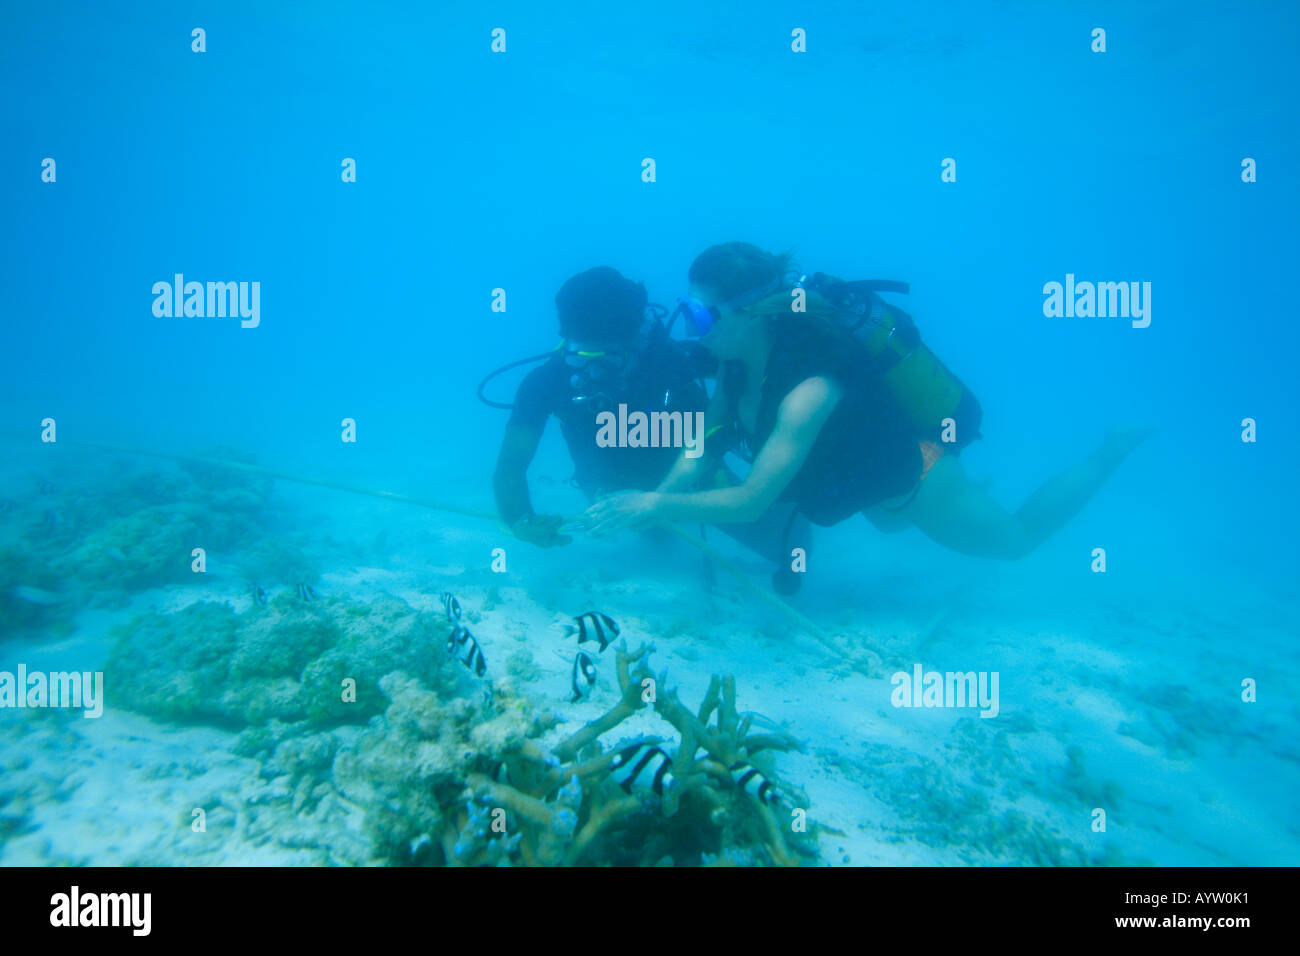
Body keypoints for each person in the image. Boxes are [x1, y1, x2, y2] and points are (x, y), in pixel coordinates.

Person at [582, 243, 1151, 560]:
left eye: (703, 313)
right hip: (862, 491)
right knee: (884, 526)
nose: (691, 325)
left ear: (753, 313)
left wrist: (653, 507)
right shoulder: (732, 369)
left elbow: (754, 501)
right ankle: (970, 488)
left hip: (914, 480)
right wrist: (655, 494)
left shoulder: (810, 390)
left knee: (1014, 544)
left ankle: (1111, 451)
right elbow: (702, 450)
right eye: (688, 309)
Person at [490, 265, 812, 589]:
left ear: (636, 337)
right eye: (581, 355)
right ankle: (658, 534)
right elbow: (511, 464)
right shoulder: (546, 382)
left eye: (607, 356)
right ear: (566, 340)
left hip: (693, 487)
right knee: (655, 539)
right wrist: (520, 519)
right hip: (608, 495)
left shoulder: (678, 362)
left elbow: (763, 362)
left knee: (788, 547)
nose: (594, 370)